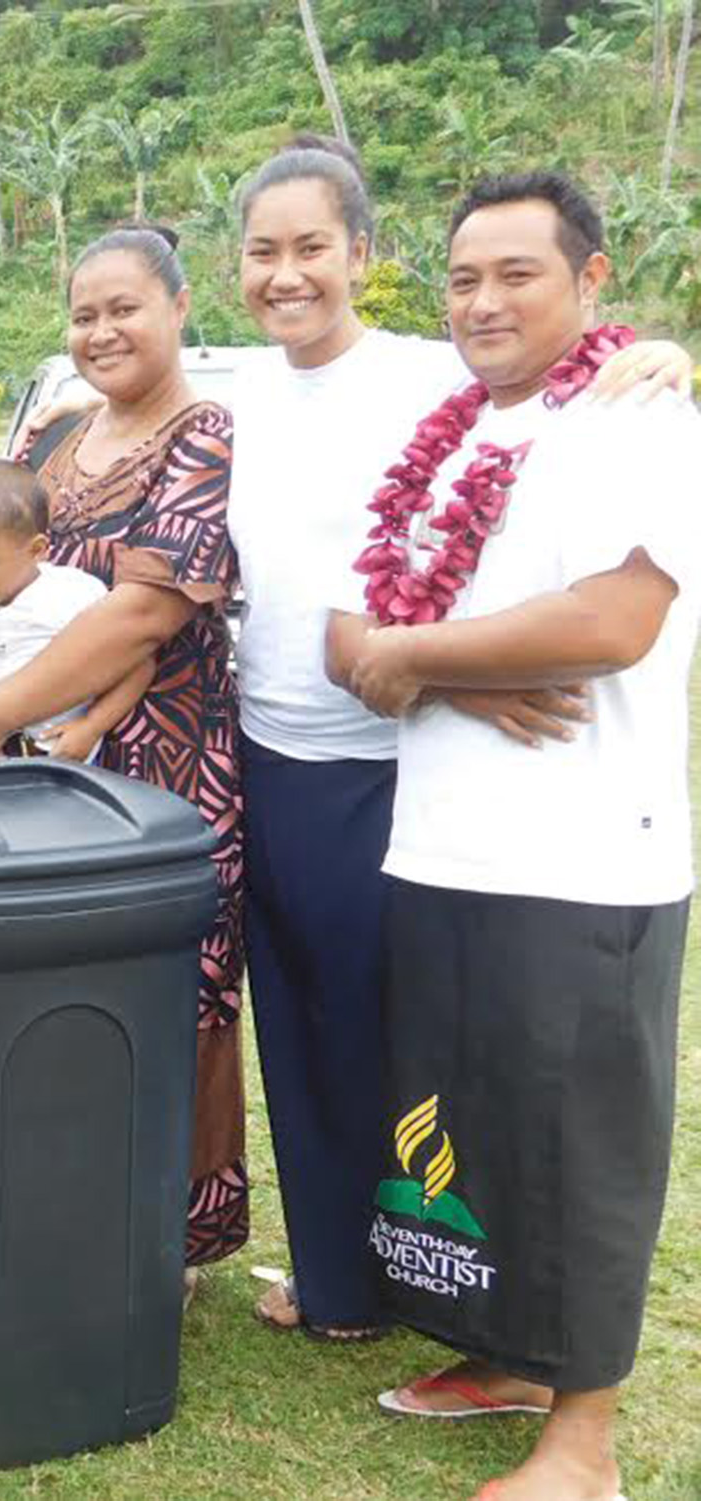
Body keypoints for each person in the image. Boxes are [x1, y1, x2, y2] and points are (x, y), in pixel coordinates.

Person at [16, 142, 692, 1341]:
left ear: (361, 256)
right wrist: (79, 400)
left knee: (397, 1031)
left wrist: (655, 349)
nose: (286, 276)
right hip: (260, 752)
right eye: (262, 254)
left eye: (310, 248)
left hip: (395, 769)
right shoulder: (235, 397)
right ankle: (336, 1281)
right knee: (299, 1030)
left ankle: (428, 1276)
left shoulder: (433, 374)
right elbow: (135, 414)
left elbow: (558, 381)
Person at [327, 172, 698, 1501]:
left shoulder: (637, 419)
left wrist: (414, 657)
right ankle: (504, 1354)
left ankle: (582, 1443)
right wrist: (451, 671)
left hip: (585, 850)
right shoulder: (443, 439)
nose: (483, 300)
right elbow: (345, 638)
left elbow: (612, 622)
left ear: (592, 281)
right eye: (463, 276)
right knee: (469, 1118)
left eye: (518, 274)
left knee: (581, 1139)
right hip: (441, 846)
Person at [0, 226, 248, 1277]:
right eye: (83, 313)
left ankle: (165, 1228)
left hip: (158, 763)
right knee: (52, 978)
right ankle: (57, 1206)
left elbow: (141, 614)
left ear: (176, 305)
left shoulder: (203, 434)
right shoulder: (51, 440)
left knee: (174, 987)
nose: (101, 330)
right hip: (39, 770)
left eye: (124, 307)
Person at [0, 459, 151, 761]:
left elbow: (137, 666)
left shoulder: (75, 594)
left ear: (36, 550)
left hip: (68, 771)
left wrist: (91, 728)